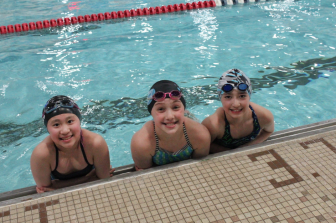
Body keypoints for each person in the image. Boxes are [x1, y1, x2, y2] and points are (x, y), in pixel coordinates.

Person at [31, 95, 114, 193]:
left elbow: (105, 181)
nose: (65, 130)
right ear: (47, 129)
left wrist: (57, 186)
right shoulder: (42, 154)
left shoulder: (95, 143)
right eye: (56, 125)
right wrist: (91, 177)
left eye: (70, 121)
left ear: (79, 122)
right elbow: (44, 191)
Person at [131, 80, 210, 170]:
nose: (170, 116)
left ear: (183, 108)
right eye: (161, 109)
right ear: (151, 113)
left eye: (175, 107)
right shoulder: (141, 143)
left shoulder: (199, 134)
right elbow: (145, 175)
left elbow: (201, 167)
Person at [202, 69, 274, 153]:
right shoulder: (213, 125)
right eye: (228, 97)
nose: (236, 104)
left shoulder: (263, 116)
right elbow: (201, 146)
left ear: (249, 97)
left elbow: (268, 131)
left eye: (242, 96)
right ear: (220, 99)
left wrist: (248, 147)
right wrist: (232, 153)